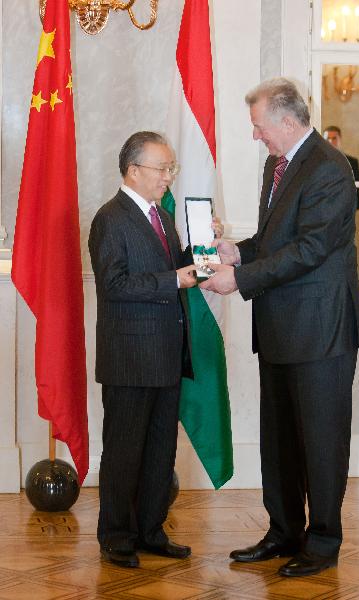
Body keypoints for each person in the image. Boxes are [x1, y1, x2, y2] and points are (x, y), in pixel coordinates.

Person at [201, 79, 359, 577]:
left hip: (320, 331)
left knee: (320, 441)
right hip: (279, 327)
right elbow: (279, 240)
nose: (255, 136)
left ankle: (322, 542)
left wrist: (242, 278)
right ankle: (284, 531)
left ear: (287, 121)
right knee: (280, 442)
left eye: (258, 125)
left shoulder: (329, 168)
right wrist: (239, 251)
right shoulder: (280, 165)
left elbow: (312, 248)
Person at [89, 131, 198, 568]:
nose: (169, 177)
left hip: (167, 354)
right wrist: (174, 280)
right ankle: (116, 536)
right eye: (162, 168)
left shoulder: (161, 217)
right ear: (133, 170)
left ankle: (151, 530)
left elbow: (170, 266)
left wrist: (202, 252)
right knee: (124, 450)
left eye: (171, 168)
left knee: (159, 450)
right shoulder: (110, 219)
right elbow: (113, 286)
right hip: (130, 359)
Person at [323, 125, 359, 210]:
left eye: (334, 138)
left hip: (345, 209)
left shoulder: (352, 162)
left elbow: (356, 189)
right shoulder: (316, 161)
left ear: (340, 139)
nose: (330, 141)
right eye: (327, 138)